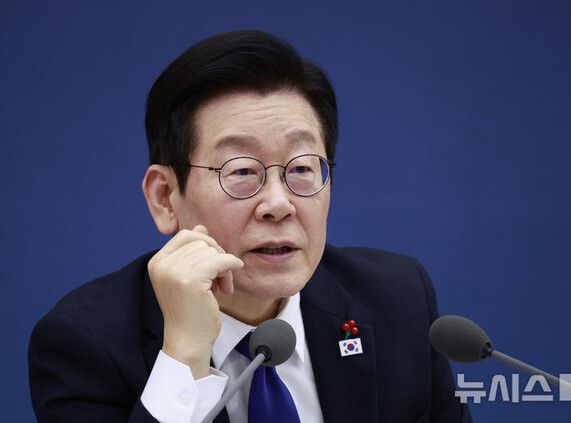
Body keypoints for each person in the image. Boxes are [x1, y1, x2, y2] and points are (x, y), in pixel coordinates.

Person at [29, 30, 471, 422]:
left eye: (302, 168)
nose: (278, 205)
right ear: (165, 197)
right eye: (241, 171)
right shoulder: (85, 345)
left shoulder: (397, 301)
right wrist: (182, 359)